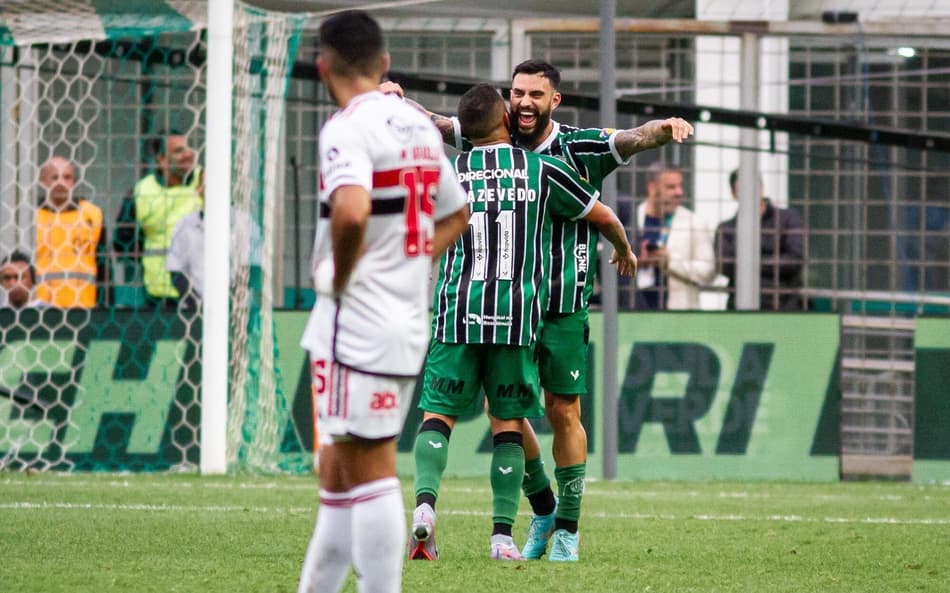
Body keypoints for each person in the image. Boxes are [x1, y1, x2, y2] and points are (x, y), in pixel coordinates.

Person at [392, 59, 692, 561]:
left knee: (562, 411)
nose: (525, 102)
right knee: (503, 410)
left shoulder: (575, 148)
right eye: (517, 93)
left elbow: (631, 139)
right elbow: (438, 122)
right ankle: (541, 508)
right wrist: (396, 101)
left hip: (559, 305)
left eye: (536, 94)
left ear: (555, 100)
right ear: (507, 105)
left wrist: (664, 129)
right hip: (511, 309)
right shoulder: (486, 140)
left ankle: (567, 528)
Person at [296, 11, 469, 593]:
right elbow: (457, 212)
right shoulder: (418, 127)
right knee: (338, 474)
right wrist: (410, 260)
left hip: (357, 319)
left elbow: (350, 210)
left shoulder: (347, 127)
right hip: (404, 315)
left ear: (323, 67)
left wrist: (344, 277)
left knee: (367, 472)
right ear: (384, 63)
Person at [114, 132, 202, 308]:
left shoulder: (205, 183)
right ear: (162, 160)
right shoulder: (142, 191)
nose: (188, 154)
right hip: (158, 294)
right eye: (179, 151)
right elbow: (122, 241)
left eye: (189, 148)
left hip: (200, 291)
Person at [166, 172, 261, 309]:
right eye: (208, 185)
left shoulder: (246, 223)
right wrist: (198, 304)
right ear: (199, 189)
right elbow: (175, 270)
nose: (215, 189)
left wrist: (229, 303)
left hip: (238, 313)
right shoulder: (185, 225)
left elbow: (254, 269)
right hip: (192, 312)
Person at [714, 169, 804, 310]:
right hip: (739, 307)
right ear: (733, 194)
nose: (749, 194)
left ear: (762, 188)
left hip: (784, 306)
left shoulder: (788, 219)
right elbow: (724, 266)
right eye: (742, 190)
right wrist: (770, 259)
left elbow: (794, 260)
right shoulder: (726, 228)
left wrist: (748, 262)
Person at [635, 161, 717, 310]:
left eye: (680, 186)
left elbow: (708, 272)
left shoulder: (694, 223)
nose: (679, 192)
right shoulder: (633, 218)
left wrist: (670, 262)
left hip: (678, 315)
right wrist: (637, 261)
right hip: (635, 310)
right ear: (652, 188)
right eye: (671, 187)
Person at [34, 156, 108, 308]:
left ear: (74, 181)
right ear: (43, 181)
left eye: (67, 177)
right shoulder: (32, 216)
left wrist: (105, 304)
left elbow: (104, 265)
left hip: (84, 305)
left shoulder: (92, 215)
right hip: (41, 307)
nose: (61, 183)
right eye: (55, 177)